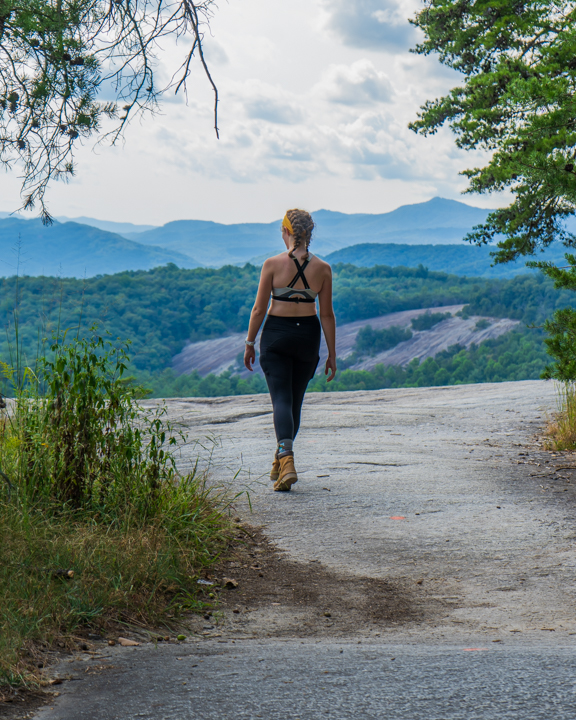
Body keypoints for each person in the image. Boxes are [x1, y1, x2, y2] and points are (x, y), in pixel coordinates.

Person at [244, 208, 337, 491]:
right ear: (309, 234)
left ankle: (286, 458)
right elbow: (327, 315)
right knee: (294, 402)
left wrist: (249, 342)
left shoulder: (271, 264)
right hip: (307, 337)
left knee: (281, 400)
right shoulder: (323, 268)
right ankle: (281, 460)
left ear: (286, 232)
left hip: (275, 336)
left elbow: (260, 308)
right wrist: (332, 353)